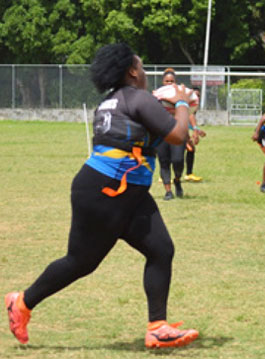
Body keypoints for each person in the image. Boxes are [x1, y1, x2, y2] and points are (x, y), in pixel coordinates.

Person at [4, 43, 199, 348]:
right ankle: (22, 302)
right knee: (81, 261)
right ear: (132, 71)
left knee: (160, 250)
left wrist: (170, 112)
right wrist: (184, 103)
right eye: (142, 66)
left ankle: (157, 327)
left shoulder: (112, 100)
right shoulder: (138, 97)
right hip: (108, 190)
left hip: (116, 188)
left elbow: (140, 134)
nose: (146, 72)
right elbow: (178, 135)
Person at [154, 68, 202, 200]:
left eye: (172, 81)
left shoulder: (181, 96)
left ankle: (177, 179)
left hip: (177, 133)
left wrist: (194, 131)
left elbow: (188, 114)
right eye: (167, 81)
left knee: (178, 160)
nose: (169, 83)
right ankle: (168, 191)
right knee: (164, 162)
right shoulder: (157, 97)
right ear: (163, 82)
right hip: (161, 134)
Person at [183, 86, 206, 182]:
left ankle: (188, 174)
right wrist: (195, 131)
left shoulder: (192, 106)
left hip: (183, 130)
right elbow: (190, 115)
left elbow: (189, 120)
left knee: (190, 149)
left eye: (198, 95)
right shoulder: (188, 105)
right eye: (195, 95)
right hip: (176, 129)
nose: (197, 97)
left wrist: (197, 130)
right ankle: (165, 176)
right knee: (179, 151)